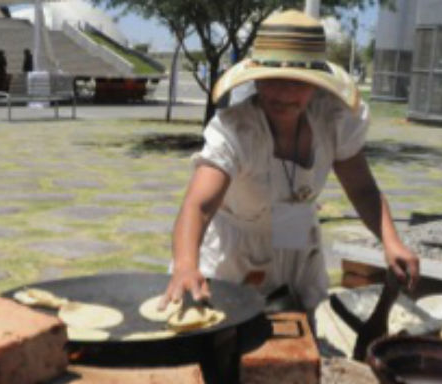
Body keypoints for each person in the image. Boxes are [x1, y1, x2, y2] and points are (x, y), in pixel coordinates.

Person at [161, 10, 419, 322]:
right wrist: (187, 265)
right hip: (234, 249)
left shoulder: (331, 120)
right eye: (271, 81)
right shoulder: (237, 130)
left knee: (297, 331)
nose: (282, 94)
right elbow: (198, 206)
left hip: (296, 236)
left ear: (316, 85)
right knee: (229, 335)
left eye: (297, 82)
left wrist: (391, 242)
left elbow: (363, 190)